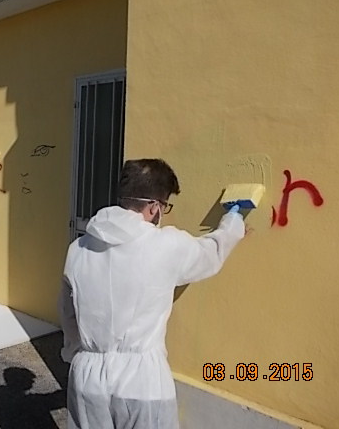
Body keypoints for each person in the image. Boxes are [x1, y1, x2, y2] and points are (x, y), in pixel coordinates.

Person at [59, 159, 246, 429]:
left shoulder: (78, 248)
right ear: (154, 206)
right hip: (142, 382)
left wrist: (75, 353)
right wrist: (233, 219)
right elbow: (210, 254)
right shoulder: (166, 245)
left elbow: (68, 311)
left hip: (87, 378)